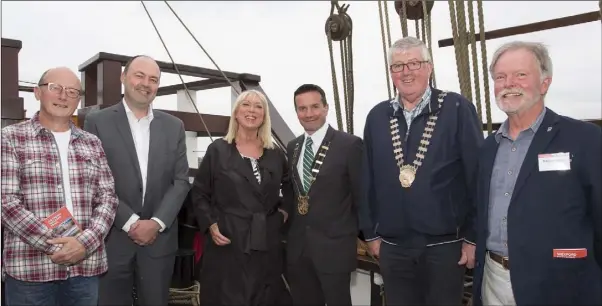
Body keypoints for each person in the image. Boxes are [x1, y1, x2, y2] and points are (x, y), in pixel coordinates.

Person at [471, 41, 602, 305]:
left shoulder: (585, 140)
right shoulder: (487, 148)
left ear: (544, 83)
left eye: (521, 75)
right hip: (493, 281)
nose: (509, 83)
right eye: (500, 77)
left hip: (562, 284)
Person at [358, 36, 483, 305]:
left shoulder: (457, 108)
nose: (406, 72)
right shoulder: (377, 117)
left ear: (429, 67)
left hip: (446, 246)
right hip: (392, 246)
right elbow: (366, 179)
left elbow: (477, 177)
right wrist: (370, 234)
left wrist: (473, 237)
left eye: (414, 63)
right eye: (398, 66)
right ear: (391, 73)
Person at [1, 67, 119, 306]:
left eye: (72, 91)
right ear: (37, 92)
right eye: (55, 88)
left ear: (78, 100)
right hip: (31, 270)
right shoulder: (10, 138)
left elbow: (107, 198)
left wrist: (83, 244)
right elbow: (6, 202)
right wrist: (57, 245)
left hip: (85, 269)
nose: (63, 96)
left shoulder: (92, 143)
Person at [83, 55, 191, 306]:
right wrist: (130, 222)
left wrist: (156, 222)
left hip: (159, 241)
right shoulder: (97, 122)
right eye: (139, 75)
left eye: (153, 79)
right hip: (112, 238)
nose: (146, 83)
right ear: (123, 78)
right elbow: (94, 179)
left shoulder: (174, 126)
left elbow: (181, 181)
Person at [190, 89, 291, 305]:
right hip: (228, 240)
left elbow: (290, 186)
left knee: (265, 297)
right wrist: (210, 225)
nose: (252, 110)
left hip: (266, 242)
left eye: (258, 106)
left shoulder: (275, 153)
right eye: (246, 105)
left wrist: (283, 211)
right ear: (236, 113)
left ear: (264, 116)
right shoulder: (217, 150)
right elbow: (199, 192)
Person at [281, 84, 363, 306]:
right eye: (302, 108)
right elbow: (291, 191)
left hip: (334, 249)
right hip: (298, 249)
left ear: (326, 108)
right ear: (297, 112)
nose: (309, 114)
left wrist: (366, 238)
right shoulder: (292, 147)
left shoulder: (350, 145)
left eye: (315, 106)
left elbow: (361, 196)